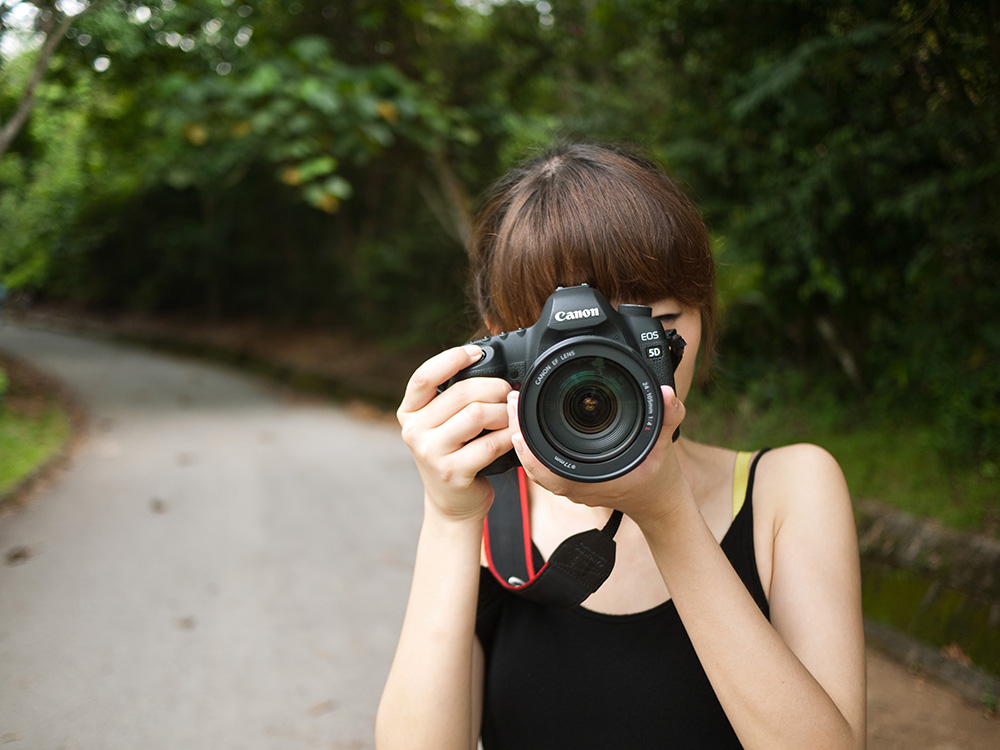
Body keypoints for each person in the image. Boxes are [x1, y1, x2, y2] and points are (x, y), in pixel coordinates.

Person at [375, 143, 866, 749]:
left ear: (702, 315)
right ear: (502, 345)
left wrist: (667, 512)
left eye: (648, 322)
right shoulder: (488, 512)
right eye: (558, 339)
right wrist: (449, 519)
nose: (602, 366)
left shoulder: (789, 490)